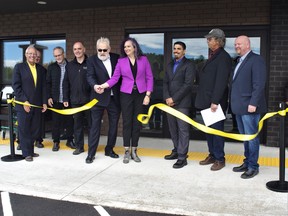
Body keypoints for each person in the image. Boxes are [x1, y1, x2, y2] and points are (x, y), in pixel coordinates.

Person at [98, 37, 154, 164]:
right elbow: (115, 78)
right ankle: (127, 151)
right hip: (126, 94)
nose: (126, 48)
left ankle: (134, 150)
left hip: (140, 94)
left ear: (135, 47)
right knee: (127, 122)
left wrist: (148, 95)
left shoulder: (143, 59)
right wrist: (103, 86)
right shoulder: (121, 61)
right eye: (125, 47)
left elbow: (149, 77)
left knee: (137, 123)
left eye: (129, 46)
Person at [230, 35, 267, 179]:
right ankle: (247, 162)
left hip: (250, 107)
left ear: (247, 44)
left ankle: (253, 166)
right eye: (235, 44)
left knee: (252, 138)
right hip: (240, 107)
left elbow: (259, 84)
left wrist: (253, 103)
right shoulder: (240, 61)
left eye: (239, 44)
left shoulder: (256, 60)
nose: (236, 46)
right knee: (245, 137)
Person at [195, 28, 231, 171]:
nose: (207, 41)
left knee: (216, 131)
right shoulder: (213, 55)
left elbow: (221, 81)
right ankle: (212, 155)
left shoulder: (223, 57)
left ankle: (220, 159)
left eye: (210, 39)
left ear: (218, 40)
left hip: (215, 103)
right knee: (209, 130)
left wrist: (215, 101)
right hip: (207, 101)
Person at [85, 37, 121, 164]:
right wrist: (95, 86)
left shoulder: (117, 58)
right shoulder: (91, 60)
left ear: (109, 49)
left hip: (114, 98)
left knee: (114, 126)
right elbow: (90, 76)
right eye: (99, 49)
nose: (102, 52)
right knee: (95, 126)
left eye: (104, 49)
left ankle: (109, 149)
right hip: (97, 98)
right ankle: (91, 153)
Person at [163, 41, 196, 169]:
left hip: (182, 103)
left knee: (183, 130)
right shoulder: (170, 65)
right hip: (169, 103)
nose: (176, 50)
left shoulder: (189, 65)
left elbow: (188, 85)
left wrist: (174, 99)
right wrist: (167, 97)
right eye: (174, 48)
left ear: (184, 51)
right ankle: (176, 150)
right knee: (173, 129)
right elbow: (165, 82)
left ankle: (182, 157)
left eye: (179, 49)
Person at [12, 45, 47, 162]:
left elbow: (43, 88)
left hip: (37, 105)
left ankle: (31, 150)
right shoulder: (19, 67)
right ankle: (26, 153)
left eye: (34, 54)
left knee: (34, 129)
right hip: (23, 105)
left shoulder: (41, 70)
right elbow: (16, 86)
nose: (32, 56)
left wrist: (44, 102)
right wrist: (24, 101)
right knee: (24, 129)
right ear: (26, 55)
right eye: (30, 54)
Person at [63, 42, 91, 155]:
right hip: (75, 101)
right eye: (75, 49)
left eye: (79, 48)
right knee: (77, 125)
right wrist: (65, 98)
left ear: (84, 49)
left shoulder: (91, 63)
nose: (77, 51)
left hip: (89, 101)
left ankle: (92, 147)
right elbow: (65, 83)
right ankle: (79, 147)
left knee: (91, 125)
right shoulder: (69, 65)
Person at [46, 46, 75, 152]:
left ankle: (70, 140)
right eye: (55, 56)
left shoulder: (71, 66)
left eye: (59, 55)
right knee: (56, 122)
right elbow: (47, 83)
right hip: (55, 99)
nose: (57, 57)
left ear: (64, 54)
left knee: (69, 122)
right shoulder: (51, 67)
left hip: (69, 99)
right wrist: (48, 97)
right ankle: (56, 141)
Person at [34, 49, 47, 148]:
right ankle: (21, 141)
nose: (37, 58)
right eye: (35, 56)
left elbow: (44, 87)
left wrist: (44, 102)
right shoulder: (22, 68)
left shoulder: (43, 70)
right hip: (26, 101)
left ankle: (38, 141)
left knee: (38, 123)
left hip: (39, 101)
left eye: (39, 57)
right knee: (25, 124)